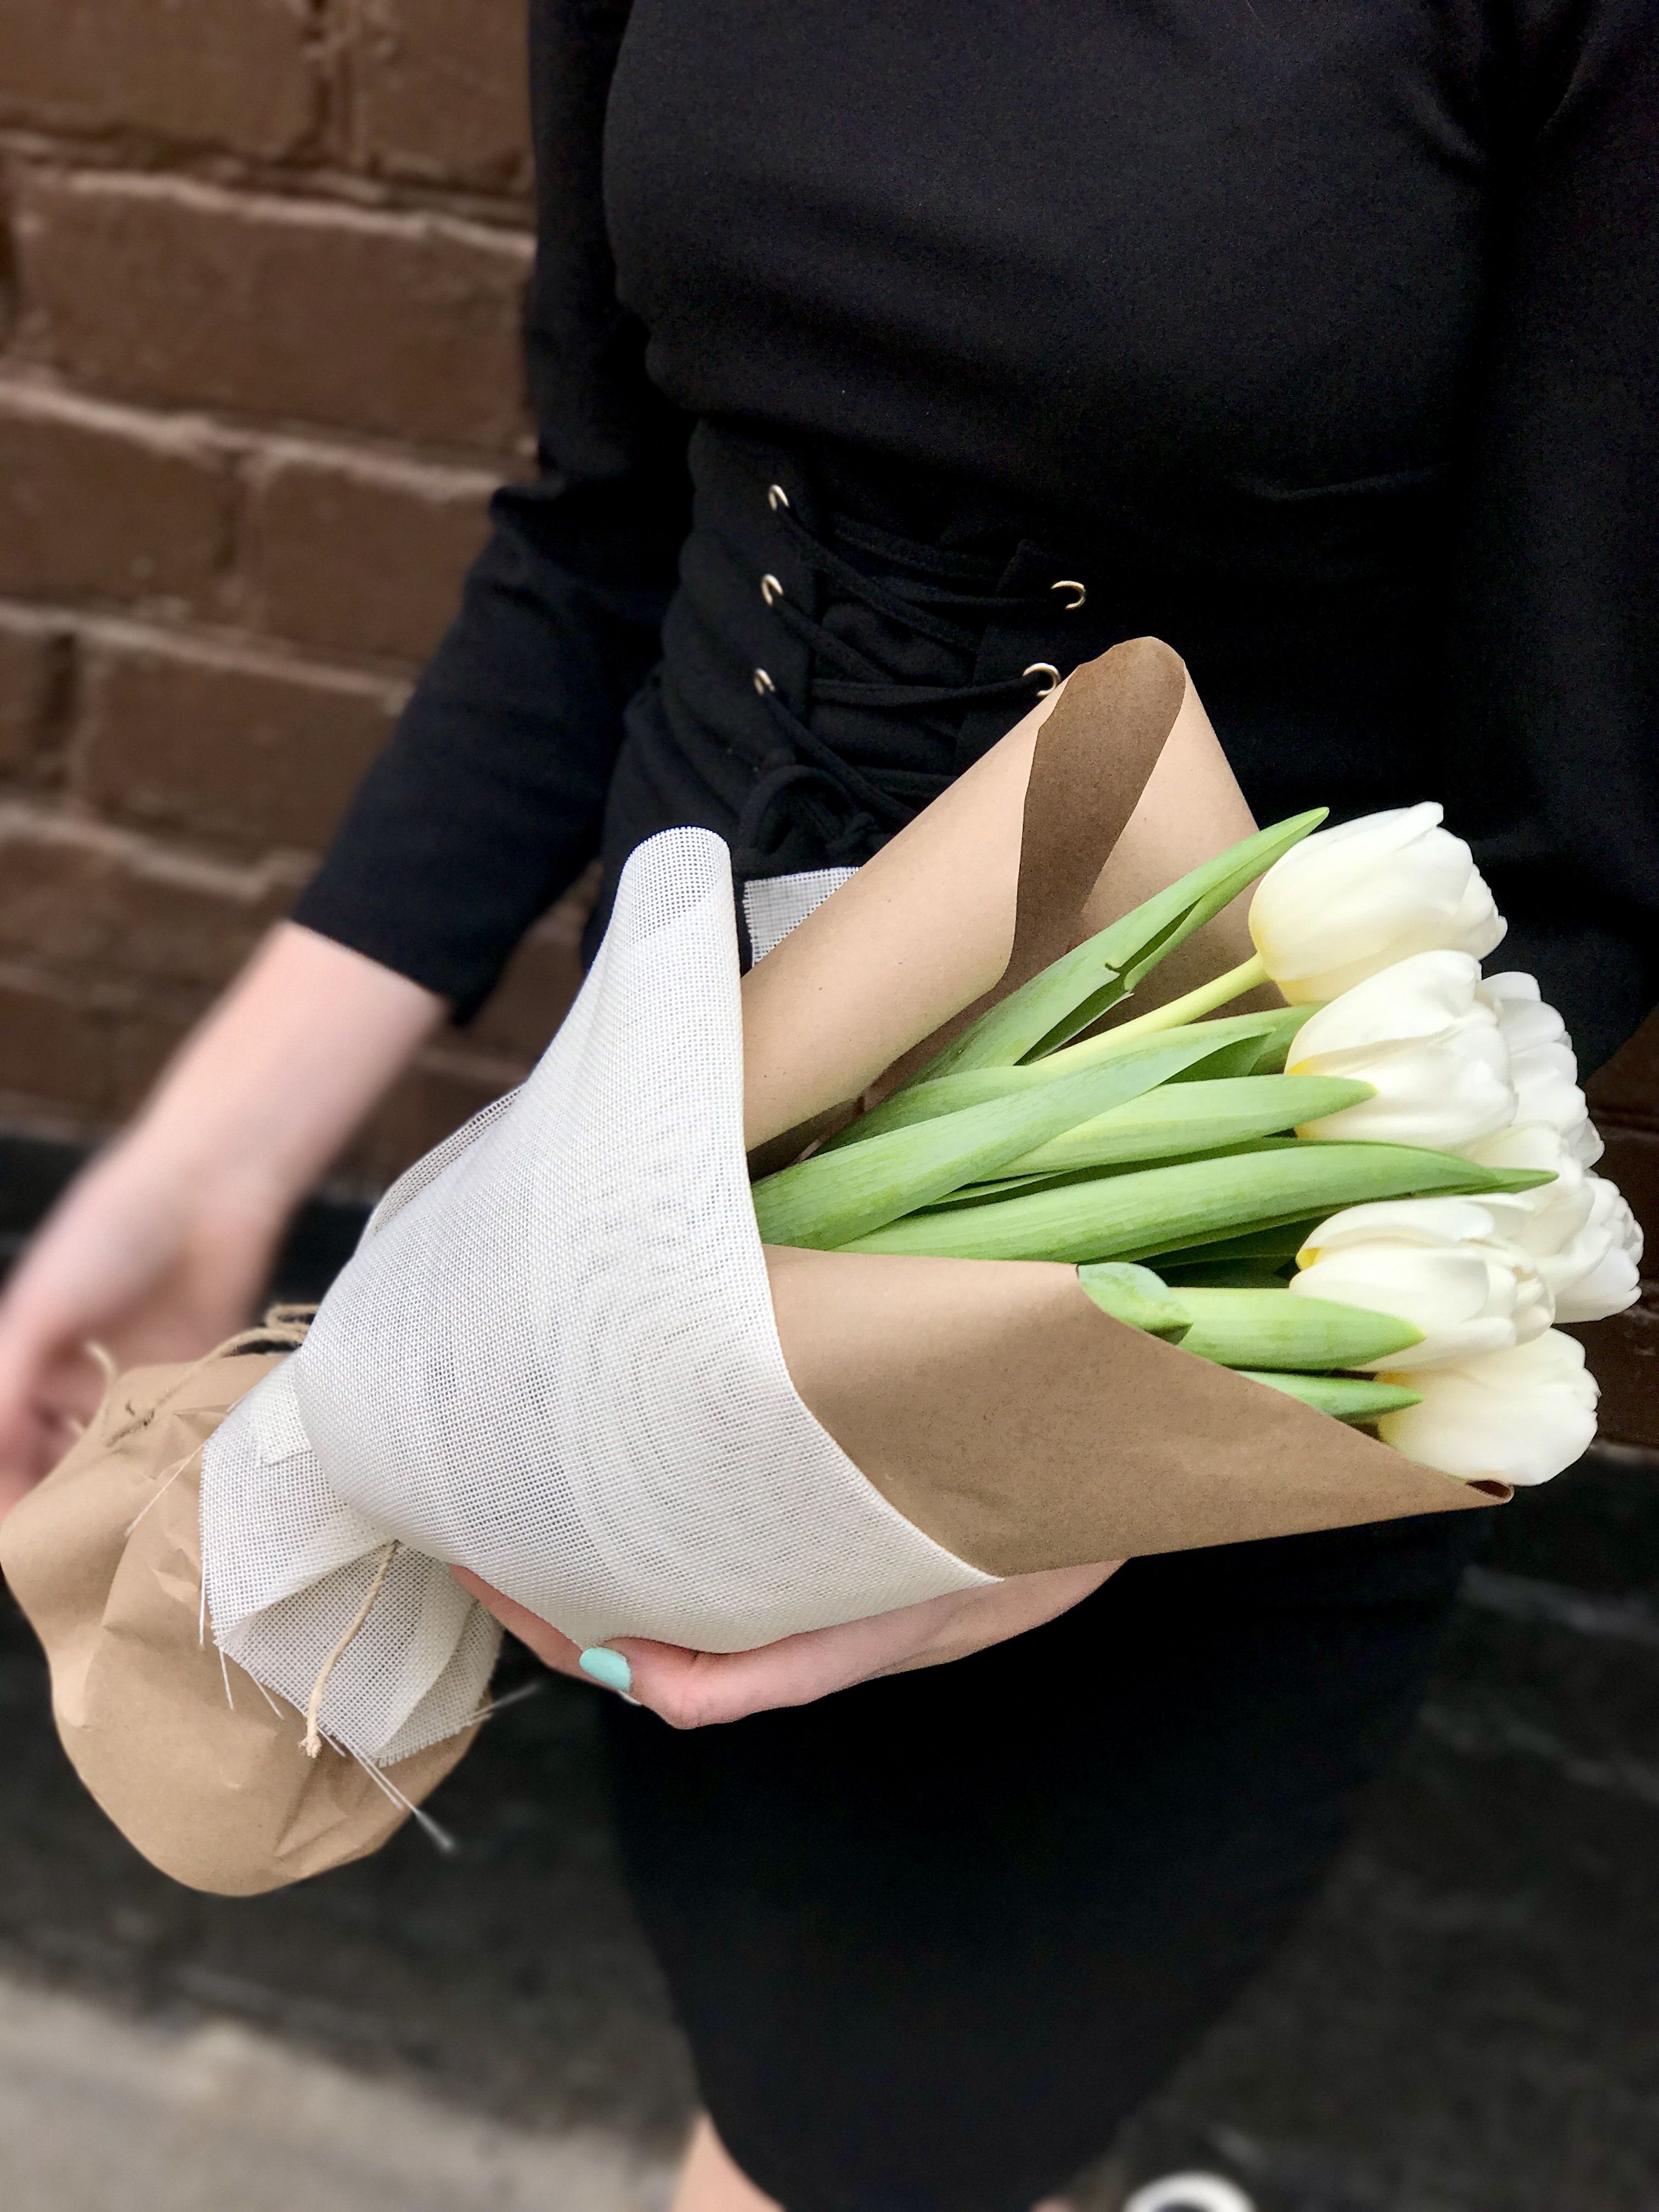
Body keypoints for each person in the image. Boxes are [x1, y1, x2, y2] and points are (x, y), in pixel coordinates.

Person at [2, 3, 1656, 2207]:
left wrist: (1084, 1472)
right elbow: (601, 541)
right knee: (788, 2058)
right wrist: (217, 1152)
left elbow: (1583, 843)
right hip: (638, 1236)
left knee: (849, 2140)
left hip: (1226, 1290)